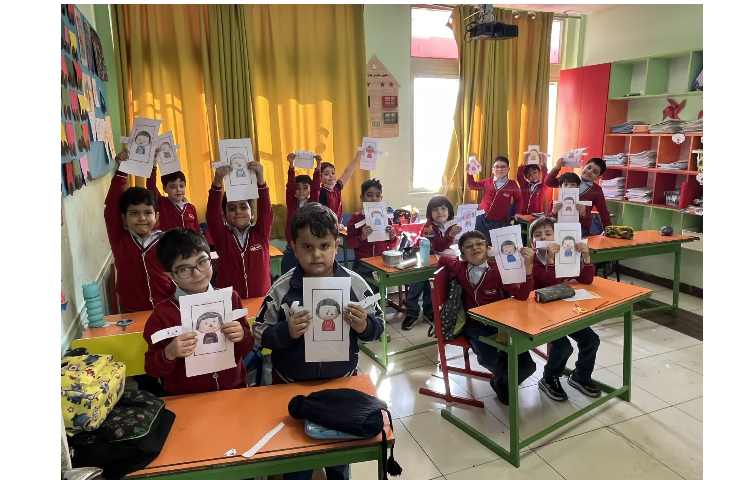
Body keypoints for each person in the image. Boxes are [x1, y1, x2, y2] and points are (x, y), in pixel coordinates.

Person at [254, 203, 384, 480]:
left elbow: (379, 327)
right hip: (292, 387)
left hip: (341, 386)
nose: (316, 255)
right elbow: (260, 333)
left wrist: (364, 326)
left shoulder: (355, 284)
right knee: (296, 463)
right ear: (293, 247)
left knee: (339, 460)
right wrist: (286, 332)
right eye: (307, 247)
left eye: (324, 246)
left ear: (336, 244)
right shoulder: (282, 288)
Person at [143, 228, 253, 395]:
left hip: (233, 390)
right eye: (184, 269)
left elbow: (246, 347)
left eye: (202, 261)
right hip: (187, 398)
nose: (197, 273)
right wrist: (169, 353)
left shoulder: (231, 298)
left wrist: (242, 336)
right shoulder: (162, 314)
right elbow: (152, 368)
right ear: (170, 275)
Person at [439, 230, 535, 405]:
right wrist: (451, 259)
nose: (475, 248)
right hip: (474, 325)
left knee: (528, 366)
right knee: (489, 359)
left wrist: (528, 270)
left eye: (479, 244)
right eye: (469, 246)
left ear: (488, 248)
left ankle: (501, 382)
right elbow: (444, 258)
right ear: (463, 254)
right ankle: (504, 381)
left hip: (502, 324)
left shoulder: (499, 270)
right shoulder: (460, 267)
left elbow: (521, 295)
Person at [528, 217, 601, 401]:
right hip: (540, 313)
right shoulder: (532, 260)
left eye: (548, 233)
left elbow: (586, 280)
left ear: (557, 237)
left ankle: (580, 376)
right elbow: (549, 283)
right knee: (563, 347)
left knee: (591, 339)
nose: (543, 237)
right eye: (538, 235)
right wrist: (550, 260)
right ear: (532, 242)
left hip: (565, 310)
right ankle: (549, 378)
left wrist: (586, 257)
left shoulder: (566, 253)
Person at [104, 149, 174, 312]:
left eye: (148, 213)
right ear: (123, 218)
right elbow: (111, 209)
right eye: (134, 213)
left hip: (165, 310)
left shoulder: (165, 241)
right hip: (132, 312)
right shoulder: (120, 240)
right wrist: (122, 170)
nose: (142, 218)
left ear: (156, 216)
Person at [207, 160, 273, 298]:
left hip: (261, 299)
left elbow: (266, 211)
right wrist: (217, 182)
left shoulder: (261, 233)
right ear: (224, 216)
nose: (238, 211)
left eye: (243, 207)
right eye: (231, 208)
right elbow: (212, 215)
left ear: (252, 213)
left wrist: (261, 180)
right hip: (231, 302)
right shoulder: (222, 237)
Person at [402, 195, 461, 331]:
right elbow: (438, 245)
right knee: (417, 286)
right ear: (430, 213)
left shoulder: (452, 224)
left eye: (443, 209)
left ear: (449, 210)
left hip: (441, 263)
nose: (440, 212)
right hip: (424, 261)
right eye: (435, 210)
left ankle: (429, 312)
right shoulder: (428, 227)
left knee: (432, 287)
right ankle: (412, 313)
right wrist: (450, 236)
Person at [346, 179, 398, 283]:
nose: (374, 198)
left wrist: (392, 236)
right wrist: (362, 237)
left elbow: (392, 244)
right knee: (364, 290)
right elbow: (350, 243)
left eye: (377, 196)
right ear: (362, 197)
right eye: (369, 195)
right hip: (363, 264)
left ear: (381, 198)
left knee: (380, 290)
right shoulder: (355, 219)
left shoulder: (386, 218)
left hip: (381, 263)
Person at [546, 157, 611, 236]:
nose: (589, 172)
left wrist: (609, 232)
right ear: (584, 166)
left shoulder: (597, 190)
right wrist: (557, 167)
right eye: (589, 168)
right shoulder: (570, 179)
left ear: (598, 177)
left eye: (595, 172)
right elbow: (548, 182)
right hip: (559, 223)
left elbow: (604, 213)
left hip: (580, 228)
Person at [281, 152, 322, 274]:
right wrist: (291, 165)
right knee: (288, 271)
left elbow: (316, 187)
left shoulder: (313, 202)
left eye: (305, 187)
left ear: (310, 190)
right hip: (292, 245)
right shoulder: (292, 203)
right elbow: (290, 186)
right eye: (298, 188)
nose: (301, 191)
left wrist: (318, 165)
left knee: (306, 273)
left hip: (307, 245)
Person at [466, 156, 523, 242]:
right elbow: (472, 185)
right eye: (497, 167)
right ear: (493, 169)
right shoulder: (487, 181)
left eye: (503, 167)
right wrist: (469, 173)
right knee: (479, 241)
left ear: (508, 169)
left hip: (499, 222)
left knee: (493, 244)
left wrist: (517, 213)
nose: (499, 169)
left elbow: (519, 199)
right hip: (481, 219)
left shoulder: (512, 184)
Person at [146, 167, 200, 233]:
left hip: (190, 239)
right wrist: (153, 168)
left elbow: (197, 230)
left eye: (181, 186)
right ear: (164, 188)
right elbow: (151, 185)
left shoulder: (191, 207)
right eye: (173, 187)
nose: (178, 189)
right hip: (169, 239)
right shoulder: (162, 202)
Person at [313, 150, 360, 224]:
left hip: (337, 224)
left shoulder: (337, 187)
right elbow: (321, 216)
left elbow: (347, 172)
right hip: (327, 225)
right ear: (320, 177)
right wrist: (318, 164)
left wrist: (358, 156)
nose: (331, 175)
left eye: (333, 173)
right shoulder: (321, 192)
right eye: (326, 174)